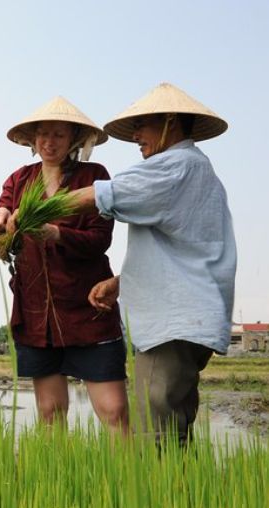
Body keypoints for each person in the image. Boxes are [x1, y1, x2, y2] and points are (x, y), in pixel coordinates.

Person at [68, 83, 236, 445]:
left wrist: (30, 211)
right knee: (170, 428)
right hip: (181, 317)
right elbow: (183, 248)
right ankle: (180, 500)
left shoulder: (177, 165)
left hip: (172, 324)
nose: (136, 137)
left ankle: (165, 502)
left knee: (154, 437)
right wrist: (121, 282)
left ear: (170, 122)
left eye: (142, 125)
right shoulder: (194, 169)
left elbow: (107, 193)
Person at [0, 97, 129, 434]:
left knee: (114, 410)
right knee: (50, 412)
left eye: (59, 136)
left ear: (74, 141)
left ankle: (127, 483)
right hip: (37, 312)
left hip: (86, 306)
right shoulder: (19, 180)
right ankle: (55, 482)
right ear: (32, 140)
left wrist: (56, 233)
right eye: (43, 135)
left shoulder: (93, 176)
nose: (49, 143)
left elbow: (100, 239)